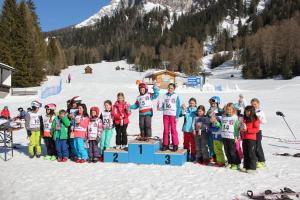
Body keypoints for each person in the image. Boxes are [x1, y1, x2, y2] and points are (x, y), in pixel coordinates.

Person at [212, 103, 241, 170]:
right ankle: (230, 162)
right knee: (226, 150)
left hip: (231, 137)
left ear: (233, 110)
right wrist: (216, 122)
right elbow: (220, 126)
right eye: (227, 109)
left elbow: (236, 128)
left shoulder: (235, 117)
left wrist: (236, 137)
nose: (229, 111)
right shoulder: (223, 117)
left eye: (230, 109)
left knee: (232, 151)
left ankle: (236, 163)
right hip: (224, 136)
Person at [158, 83, 181, 152]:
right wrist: (160, 108)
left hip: (173, 115)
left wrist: (177, 116)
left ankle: (175, 144)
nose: (170, 89)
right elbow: (163, 106)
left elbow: (178, 107)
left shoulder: (176, 96)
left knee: (173, 130)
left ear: (174, 89)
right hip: (165, 115)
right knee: (166, 130)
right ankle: (166, 144)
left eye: (171, 88)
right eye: (169, 88)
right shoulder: (165, 96)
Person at [240, 106, 260, 173]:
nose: (247, 113)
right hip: (244, 138)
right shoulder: (244, 119)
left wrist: (247, 130)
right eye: (246, 111)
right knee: (245, 153)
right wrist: (241, 130)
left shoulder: (255, 119)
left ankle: (252, 167)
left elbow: (256, 129)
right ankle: (246, 166)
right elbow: (242, 126)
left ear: (252, 112)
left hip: (251, 139)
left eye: (248, 111)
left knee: (251, 153)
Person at [206, 96, 223, 165]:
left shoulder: (220, 111)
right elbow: (206, 119)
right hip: (210, 130)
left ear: (217, 103)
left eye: (214, 103)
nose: (213, 105)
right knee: (210, 143)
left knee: (217, 145)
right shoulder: (209, 111)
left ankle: (219, 157)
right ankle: (212, 156)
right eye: (211, 103)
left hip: (218, 131)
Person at [251, 98, 267, 168]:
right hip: (252, 131)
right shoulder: (251, 111)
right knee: (252, 146)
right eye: (252, 104)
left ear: (258, 104)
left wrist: (259, 119)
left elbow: (265, 121)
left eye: (255, 104)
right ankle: (255, 160)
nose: (254, 106)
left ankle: (262, 161)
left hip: (258, 131)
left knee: (258, 146)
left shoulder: (260, 112)